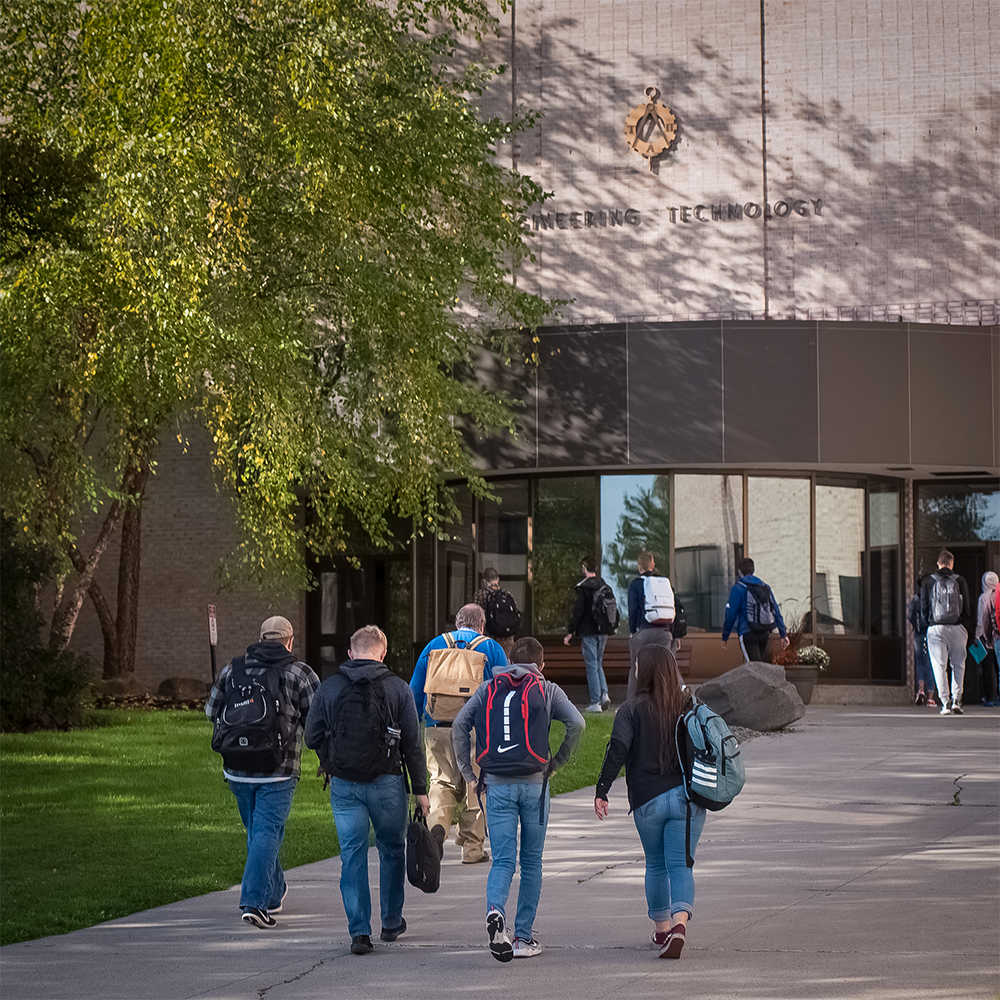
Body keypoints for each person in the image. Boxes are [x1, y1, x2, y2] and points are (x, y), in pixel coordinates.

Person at [453, 636, 585, 962]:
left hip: (496, 785)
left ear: (510, 659)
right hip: (535, 784)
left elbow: (459, 725)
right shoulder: (548, 689)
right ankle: (524, 937)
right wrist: (558, 762)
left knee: (502, 860)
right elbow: (577, 724)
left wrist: (469, 775)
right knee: (531, 861)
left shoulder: (488, 688)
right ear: (541, 665)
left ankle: (496, 911)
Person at [304, 625, 429, 955]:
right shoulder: (398, 689)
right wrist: (420, 790)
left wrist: (329, 760)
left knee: (352, 854)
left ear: (350, 652)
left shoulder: (329, 688)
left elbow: (311, 736)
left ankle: (360, 932)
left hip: (345, 784)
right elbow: (412, 745)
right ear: (383, 653)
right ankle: (390, 922)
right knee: (391, 849)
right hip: (387, 782)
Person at [205, 615, 320, 929]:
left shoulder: (234, 668)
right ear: (289, 640)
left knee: (259, 833)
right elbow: (317, 727)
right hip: (279, 769)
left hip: (237, 769)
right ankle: (254, 902)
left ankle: (274, 893)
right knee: (267, 833)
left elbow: (209, 711)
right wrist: (327, 760)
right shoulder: (300, 672)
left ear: (260, 637)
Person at [594, 645, 704, 960]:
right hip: (688, 798)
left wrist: (602, 790)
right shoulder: (689, 705)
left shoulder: (631, 709)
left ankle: (661, 931)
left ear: (643, 670)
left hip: (648, 801)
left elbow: (617, 749)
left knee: (656, 864)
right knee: (681, 864)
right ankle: (680, 926)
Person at [409, 603, 508, 864]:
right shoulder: (492, 648)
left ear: (456, 623)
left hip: (437, 727)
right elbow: (504, 693)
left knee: (441, 784)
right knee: (476, 786)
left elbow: (415, 692)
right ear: (482, 625)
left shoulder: (433, 646)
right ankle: (473, 850)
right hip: (478, 730)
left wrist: (417, 724)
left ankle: (436, 831)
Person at [921, 550, 972, 716]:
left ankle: (945, 703)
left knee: (939, 666)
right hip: (956, 627)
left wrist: (928, 622)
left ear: (938, 563)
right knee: (958, 664)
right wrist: (964, 625)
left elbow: (924, 607)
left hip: (935, 628)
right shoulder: (960, 580)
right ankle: (957, 699)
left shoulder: (928, 581)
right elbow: (967, 608)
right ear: (951, 563)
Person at [563, 556, 613, 713]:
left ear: (584, 567)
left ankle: (595, 702)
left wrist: (570, 632)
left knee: (592, 665)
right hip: (603, 631)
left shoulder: (583, 588)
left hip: (589, 631)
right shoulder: (604, 586)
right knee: (598, 663)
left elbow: (578, 612)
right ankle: (604, 694)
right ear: (596, 569)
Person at [721, 558, 790, 664]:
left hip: (747, 633)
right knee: (758, 666)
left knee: (754, 668)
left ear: (739, 572)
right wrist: (783, 634)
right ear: (753, 570)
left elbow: (731, 614)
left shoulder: (738, 588)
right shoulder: (765, 587)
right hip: (764, 633)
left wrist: (725, 635)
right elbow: (776, 610)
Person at [627, 551, 676, 699]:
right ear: (653, 565)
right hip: (665, 632)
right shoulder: (664, 583)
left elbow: (633, 610)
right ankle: (663, 703)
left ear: (639, 566)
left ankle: (632, 706)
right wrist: (672, 633)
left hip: (644, 631)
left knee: (637, 669)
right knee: (662, 670)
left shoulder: (636, 584)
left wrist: (632, 631)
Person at [473, 567, 521, 656]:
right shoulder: (507, 594)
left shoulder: (480, 595)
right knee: (508, 667)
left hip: (490, 639)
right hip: (508, 639)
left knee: (491, 667)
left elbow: (476, 618)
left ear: (484, 581)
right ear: (497, 579)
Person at [907, 575, 937, 707]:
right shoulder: (933, 598)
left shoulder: (916, 598)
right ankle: (930, 697)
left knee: (920, 662)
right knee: (931, 664)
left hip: (918, 633)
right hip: (931, 633)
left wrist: (915, 626)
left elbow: (910, 616)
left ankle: (920, 690)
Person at [975, 571, 999, 707]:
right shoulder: (999, 595)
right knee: (999, 667)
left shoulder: (984, 597)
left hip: (987, 638)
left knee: (987, 668)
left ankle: (989, 698)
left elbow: (981, 619)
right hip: (999, 636)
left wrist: (977, 636)